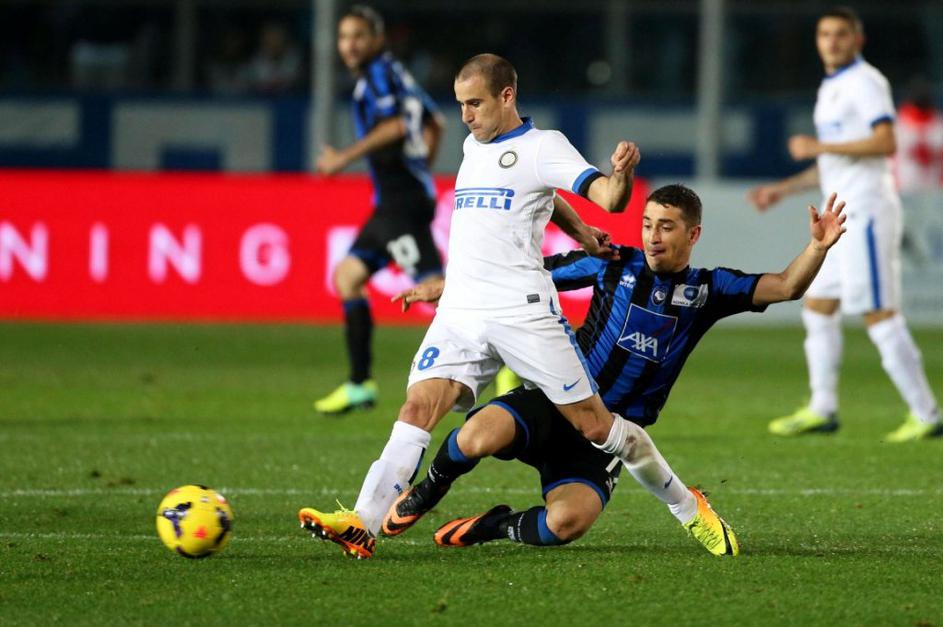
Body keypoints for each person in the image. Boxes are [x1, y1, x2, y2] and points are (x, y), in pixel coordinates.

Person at [299, 52, 658, 559]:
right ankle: (363, 522)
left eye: (475, 103)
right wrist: (577, 231)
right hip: (462, 311)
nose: (465, 116)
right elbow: (536, 196)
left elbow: (608, 198)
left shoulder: (544, 146)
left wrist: (620, 176)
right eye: (460, 104)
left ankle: (674, 491)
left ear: (507, 96)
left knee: (593, 425)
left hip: (522, 310)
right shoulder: (474, 145)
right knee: (417, 407)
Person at [381, 184, 847, 554]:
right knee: (475, 436)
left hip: (609, 434)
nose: (653, 236)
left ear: (693, 235)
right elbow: (520, 276)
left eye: (666, 227)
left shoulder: (708, 289)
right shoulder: (612, 263)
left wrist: (817, 247)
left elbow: (786, 286)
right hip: (558, 401)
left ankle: (494, 526)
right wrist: (443, 287)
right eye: (647, 224)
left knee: (566, 524)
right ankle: (427, 491)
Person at [748, 6, 941, 442]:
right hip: (838, 214)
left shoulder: (866, 82)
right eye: (824, 34)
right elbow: (834, 161)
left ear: (858, 39)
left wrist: (819, 145)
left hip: (866, 211)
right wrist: (782, 189)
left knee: (879, 313)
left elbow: (886, 141)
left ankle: (926, 413)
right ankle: (822, 408)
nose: (831, 41)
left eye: (840, 34)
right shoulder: (831, 87)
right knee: (818, 306)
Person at [313, 5, 446, 415]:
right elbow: (436, 123)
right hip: (394, 201)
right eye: (343, 37)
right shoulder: (395, 73)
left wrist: (342, 158)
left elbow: (395, 127)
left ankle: (510, 366)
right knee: (348, 276)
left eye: (358, 36)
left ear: (377, 38)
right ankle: (359, 384)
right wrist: (422, 168)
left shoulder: (377, 76)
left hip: (400, 204)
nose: (349, 45)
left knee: (438, 291)